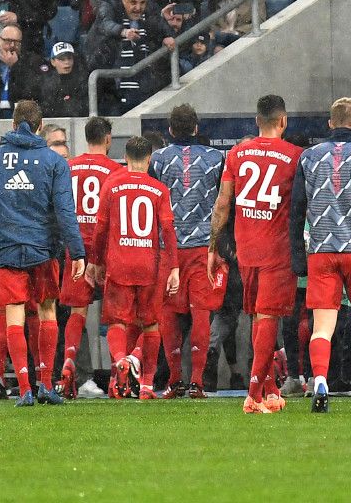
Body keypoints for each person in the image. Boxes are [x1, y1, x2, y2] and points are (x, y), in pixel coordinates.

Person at [0, 99, 85, 406]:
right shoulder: (54, 162)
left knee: (14, 316)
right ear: (40, 126)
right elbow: (64, 211)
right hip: (44, 250)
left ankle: (24, 389)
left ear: (12, 124)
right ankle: (46, 384)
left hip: (6, 248)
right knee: (47, 311)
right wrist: (77, 251)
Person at [292, 98, 351, 413]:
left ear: (330, 124)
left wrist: (296, 256)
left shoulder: (308, 157)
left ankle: (320, 380)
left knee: (322, 327)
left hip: (321, 253)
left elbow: (297, 211)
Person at [211, 94, 302, 414]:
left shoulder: (237, 153)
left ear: (256, 121)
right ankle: (253, 394)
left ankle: (271, 390)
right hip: (276, 249)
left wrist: (213, 248)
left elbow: (223, 204)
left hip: (245, 250)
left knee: (257, 319)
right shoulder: (295, 156)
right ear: (283, 121)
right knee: (267, 319)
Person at [93, 133, 179, 401]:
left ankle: (121, 360)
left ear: (126, 158)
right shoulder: (159, 189)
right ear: (150, 159)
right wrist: (174, 267)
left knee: (117, 322)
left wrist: (95, 261)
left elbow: (100, 228)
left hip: (119, 263)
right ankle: (146, 386)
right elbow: (168, 230)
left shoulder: (112, 185)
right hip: (149, 266)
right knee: (150, 325)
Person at [149, 104, 226, 398]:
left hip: (169, 249)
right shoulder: (215, 158)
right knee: (201, 313)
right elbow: (223, 203)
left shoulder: (159, 159)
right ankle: (197, 381)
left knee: (169, 315)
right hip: (203, 247)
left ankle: (174, 380)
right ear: (196, 128)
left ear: (170, 130)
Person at [56, 117, 122, 397]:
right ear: (108, 139)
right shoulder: (115, 171)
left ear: (85, 138)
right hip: (107, 250)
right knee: (118, 315)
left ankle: (69, 362)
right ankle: (121, 369)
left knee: (77, 312)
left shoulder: (69, 168)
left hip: (76, 249)